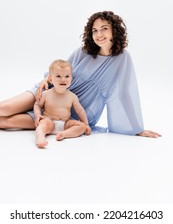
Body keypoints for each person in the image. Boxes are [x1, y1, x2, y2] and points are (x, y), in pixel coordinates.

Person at [0, 11, 160, 138]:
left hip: (69, 112)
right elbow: (59, 69)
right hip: (49, 91)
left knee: (5, 122)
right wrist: (44, 80)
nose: (99, 34)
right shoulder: (83, 52)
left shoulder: (122, 58)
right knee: (4, 108)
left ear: (114, 31)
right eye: (95, 30)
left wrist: (136, 128)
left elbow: (125, 94)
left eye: (104, 28)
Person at [34, 59, 91, 148]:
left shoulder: (72, 97)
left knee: (81, 126)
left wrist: (86, 124)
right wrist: (37, 115)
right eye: (58, 76)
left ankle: (64, 134)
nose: (63, 79)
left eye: (67, 76)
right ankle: (40, 137)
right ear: (50, 79)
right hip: (49, 121)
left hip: (65, 124)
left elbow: (80, 111)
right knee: (41, 126)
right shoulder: (46, 94)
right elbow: (37, 105)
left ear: (71, 79)